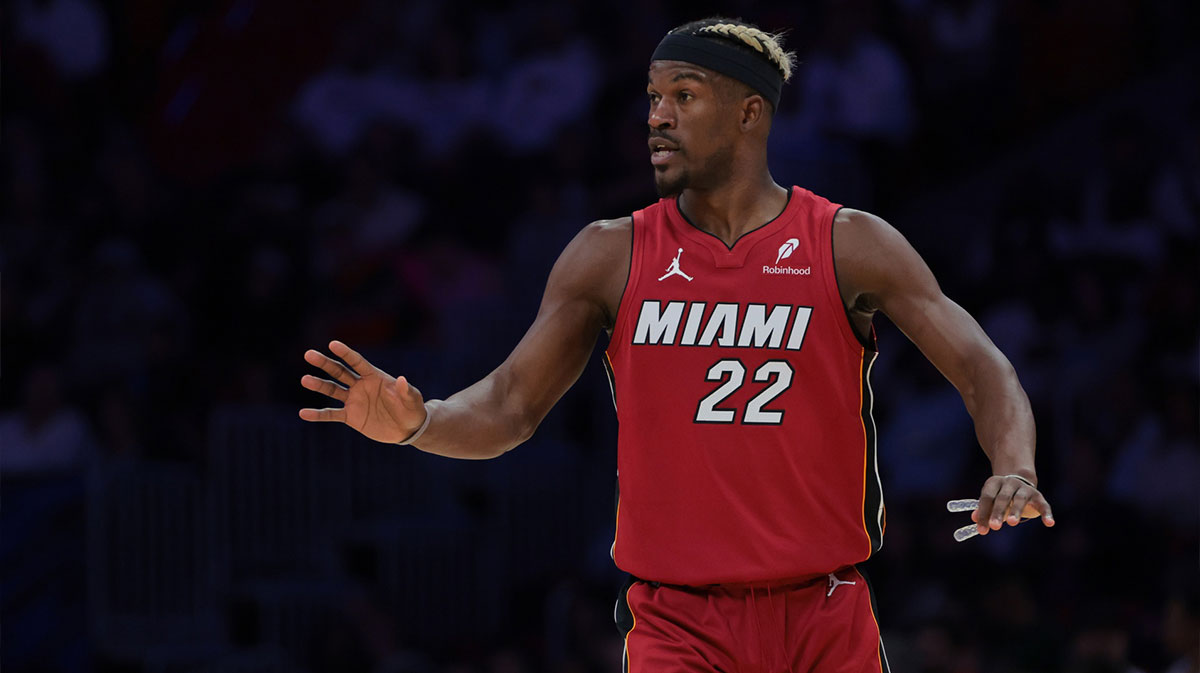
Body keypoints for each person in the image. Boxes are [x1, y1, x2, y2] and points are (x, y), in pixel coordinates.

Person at [300, 17, 1056, 672]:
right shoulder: (609, 252)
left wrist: (1014, 465)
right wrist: (421, 422)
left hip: (823, 609)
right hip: (679, 619)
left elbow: (982, 365)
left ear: (748, 113)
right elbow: (508, 404)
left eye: (683, 97)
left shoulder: (848, 242)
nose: (657, 118)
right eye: (653, 99)